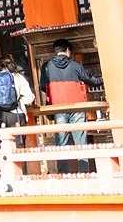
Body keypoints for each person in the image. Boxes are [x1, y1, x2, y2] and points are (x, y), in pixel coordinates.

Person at [40, 38, 104, 173]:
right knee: (80, 139)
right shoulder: (75, 65)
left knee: (61, 140)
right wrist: (102, 79)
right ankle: (84, 171)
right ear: (68, 50)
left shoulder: (46, 66)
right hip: (77, 106)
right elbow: (90, 80)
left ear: (55, 50)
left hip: (58, 107)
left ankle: (63, 172)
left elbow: (43, 86)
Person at [0, 54, 35, 148]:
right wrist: (19, 100)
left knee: (2, 146)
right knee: (19, 147)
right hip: (16, 114)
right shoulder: (18, 77)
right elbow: (29, 98)